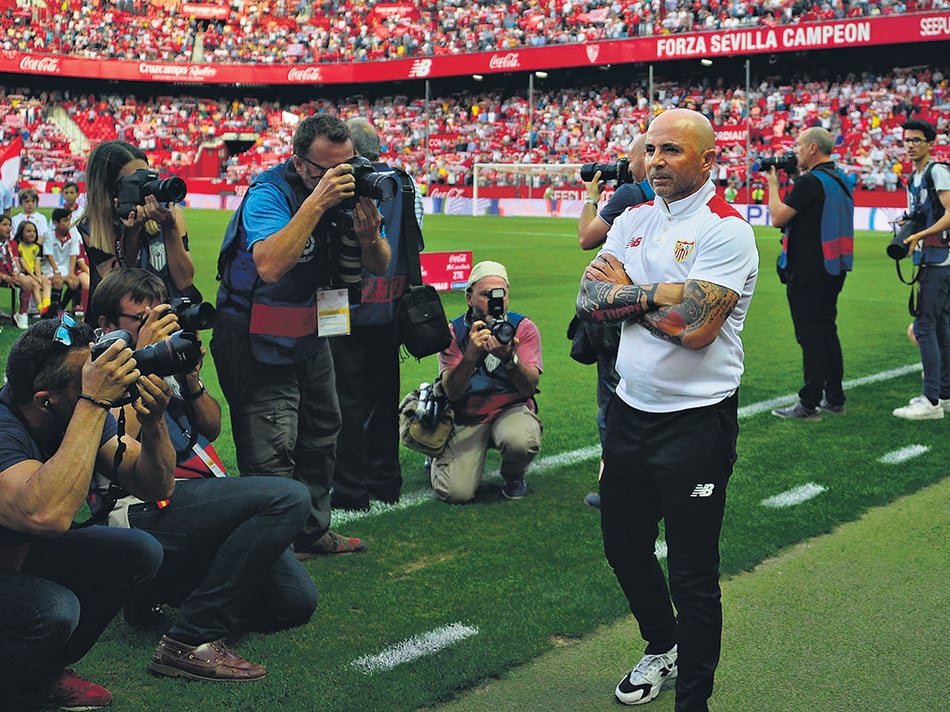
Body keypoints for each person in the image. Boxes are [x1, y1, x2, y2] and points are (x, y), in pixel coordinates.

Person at [576, 108, 757, 710]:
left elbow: (697, 327)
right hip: (629, 413)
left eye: (672, 151)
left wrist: (627, 297)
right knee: (622, 547)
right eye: (651, 149)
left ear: (708, 160)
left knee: (693, 575)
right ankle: (662, 645)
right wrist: (659, 293)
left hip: (697, 423)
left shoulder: (725, 229)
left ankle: (693, 702)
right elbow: (589, 299)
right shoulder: (629, 218)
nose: (656, 161)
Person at [92, 267, 318, 681]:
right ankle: (189, 639)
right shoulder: (97, 369)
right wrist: (140, 358)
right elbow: (118, 442)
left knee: (294, 601)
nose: (154, 326)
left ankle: (154, 587)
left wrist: (189, 375)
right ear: (106, 324)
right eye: (140, 319)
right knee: (288, 497)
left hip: (195, 496)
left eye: (157, 315)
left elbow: (211, 427)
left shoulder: (164, 357)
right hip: (137, 505)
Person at [213, 114, 390, 556]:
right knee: (272, 446)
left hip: (311, 334)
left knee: (321, 432)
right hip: (255, 337)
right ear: (300, 162)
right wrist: (316, 203)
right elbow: (270, 265)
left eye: (346, 166)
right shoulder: (269, 193)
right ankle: (272, 553)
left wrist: (369, 238)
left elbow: (381, 263)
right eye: (327, 170)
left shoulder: (351, 192)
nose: (340, 178)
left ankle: (311, 533)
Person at [0, 317, 175, 709]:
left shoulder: (73, 410)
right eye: (88, 378)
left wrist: (156, 422)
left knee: (137, 551)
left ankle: (41, 675)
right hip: (13, 559)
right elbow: (46, 515)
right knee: (52, 609)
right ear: (45, 399)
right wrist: (93, 403)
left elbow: (155, 486)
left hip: (16, 560)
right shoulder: (7, 430)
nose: (102, 380)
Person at [329, 117, 423, 511]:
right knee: (384, 398)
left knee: (344, 401)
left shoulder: (339, 183)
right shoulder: (404, 183)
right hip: (390, 306)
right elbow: (415, 240)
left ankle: (350, 489)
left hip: (341, 306)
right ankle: (386, 481)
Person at [577, 134, 653, 509]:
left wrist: (592, 195)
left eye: (628, 158)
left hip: (618, 310)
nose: (625, 165)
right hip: (655, 307)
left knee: (612, 400)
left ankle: (617, 485)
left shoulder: (631, 195)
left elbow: (586, 238)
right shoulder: (673, 198)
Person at [431, 260, 543, 503]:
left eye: (500, 294)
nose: (495, 301)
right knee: (455, 493)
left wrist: (509, 359)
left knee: (521, 439)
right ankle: (437, 453)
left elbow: (529, 387)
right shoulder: (454, 331)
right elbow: (451, 392)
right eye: (486, 295)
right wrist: (471, 354)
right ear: (469, 297)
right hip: (467, 413)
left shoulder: (522, 327)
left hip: (508, 409)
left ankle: (514, 476)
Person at [767, 127, 853, 420]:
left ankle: (809, 402)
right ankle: (835, 397)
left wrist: (772, 185)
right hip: (833, 268)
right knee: (827, 330)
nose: (796, 152)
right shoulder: (839, 178)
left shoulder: (811, 182)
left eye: (800, 146)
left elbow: (778, 216)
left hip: (807, 271)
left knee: (810, 336)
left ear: (813, 148)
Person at [78, 140, 196, 325]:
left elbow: (184, 281)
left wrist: (170, 227)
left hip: (166, 320)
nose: (146, 188)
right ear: (110, 189)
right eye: (136, 182)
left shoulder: (170, 212)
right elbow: (119, 290)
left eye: (148, 178)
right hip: (120, 329)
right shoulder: (94, 226)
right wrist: (132, 233)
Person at [892, 118, 950, 420]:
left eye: (916, 140)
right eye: (907, 141)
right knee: (940, 325)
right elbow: (925, 213)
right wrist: (906, 224)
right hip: (934, 258)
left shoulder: (936, 171)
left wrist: (917, 236)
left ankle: (931, 401)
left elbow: (949, 214)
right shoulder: (915, 177)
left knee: (926, 326)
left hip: (940, 258)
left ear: (930, 143)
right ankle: (944, 393)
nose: (911, 145)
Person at [0, 213, 41, 328]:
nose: (8, 228)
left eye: (10, 225)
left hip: (11, 274)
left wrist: (16, 274)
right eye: (4, 225)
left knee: (27, 281)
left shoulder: (12, 244)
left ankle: (22, 313)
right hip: (2, 275)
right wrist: (5, 277)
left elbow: (16, 261)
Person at [42, 208, 83, 316]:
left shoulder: (73, 235)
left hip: (65, 267)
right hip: (50, 268)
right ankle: (52, 311)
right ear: (56, 223)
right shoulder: (48, 235)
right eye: (65, 220)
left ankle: (60, 308)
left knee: (74, 283)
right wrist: (56, 270)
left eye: (69, 220)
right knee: (58, 281)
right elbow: (49, 255)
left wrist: (70, 272)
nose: (68, 223)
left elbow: (73, 254)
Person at [14, 219, 52, 315]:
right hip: (24, 272)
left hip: (34, 272)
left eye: (34, 231)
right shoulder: (18, 246)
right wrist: (35, 278)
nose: (32, 234)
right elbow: (23, 264)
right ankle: (41, 310)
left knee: (46, 282)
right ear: (21, 233)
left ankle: (46, 306)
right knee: (35, 284)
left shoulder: (37, 247)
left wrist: (39, 277)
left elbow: (37, 264)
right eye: (29, 231)